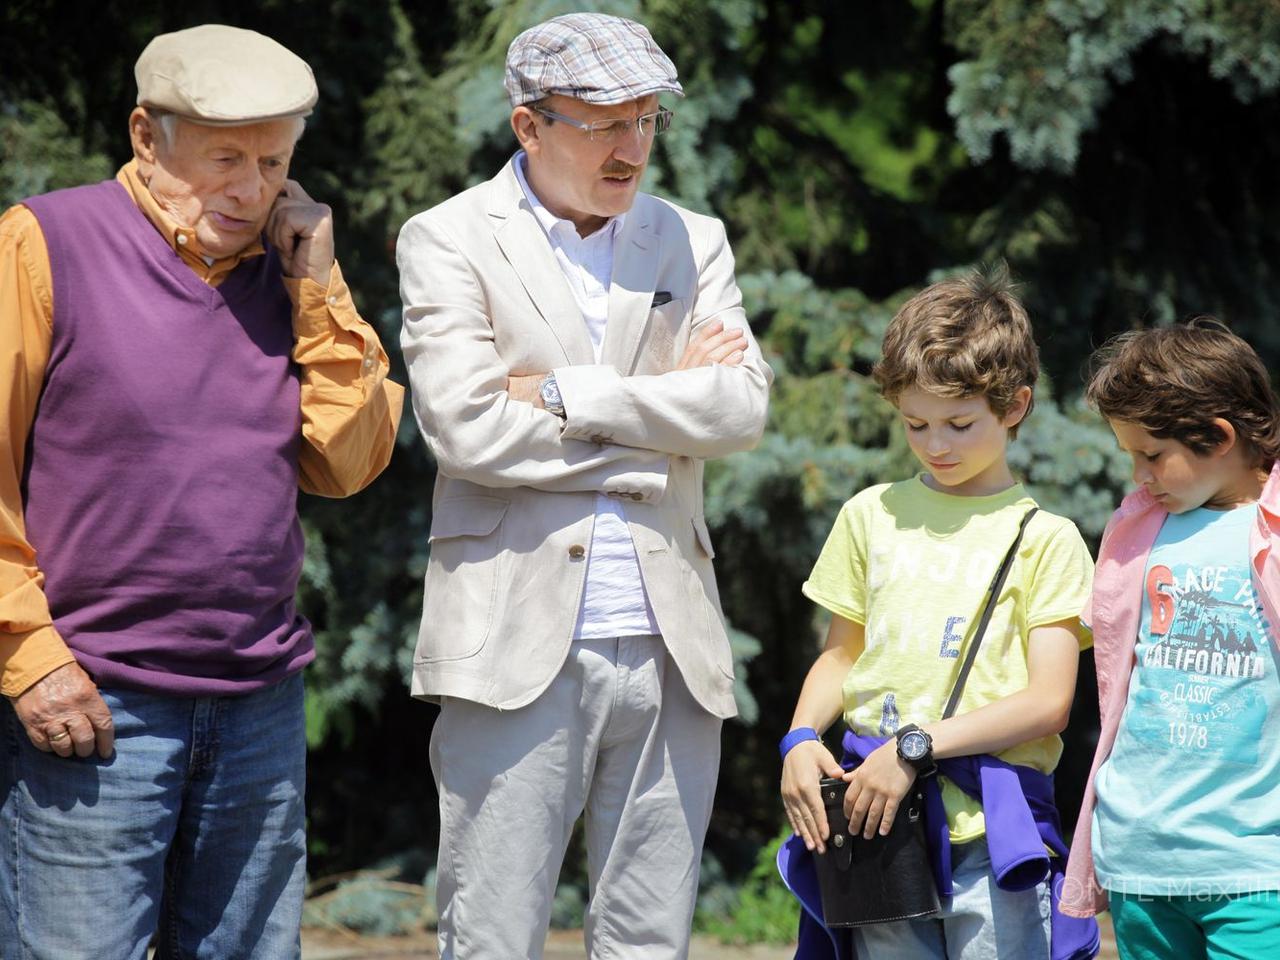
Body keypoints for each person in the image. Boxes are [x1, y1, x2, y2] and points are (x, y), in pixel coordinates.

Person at [0, 24, 403, 960]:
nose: (252, 189)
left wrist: (318, 285)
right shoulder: (42, 243)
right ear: (146, 136)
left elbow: (349, 462)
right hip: (95, 698)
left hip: (259, 699)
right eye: (226, 158)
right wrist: (29, 657)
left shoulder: (289, 267)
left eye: (273, 162)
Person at [396, 11, 771, 959]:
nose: (631, 146)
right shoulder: (447, 238)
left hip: (669, 637)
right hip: (510, 639)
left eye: (646, 121)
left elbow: (739, 413)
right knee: (493, 935)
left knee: (651, 940)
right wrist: (659, 418)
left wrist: (567, 394)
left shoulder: (693, 238)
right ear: (530, 125)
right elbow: (466, 426)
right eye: (604, 122)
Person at [777, 269, 1099, 959]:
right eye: (915, 424)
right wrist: (801, 738)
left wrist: (913, 747)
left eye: (959, 423)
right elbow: (842, 655)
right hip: (875, 828)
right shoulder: (870, 514)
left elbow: (1049, 703)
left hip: (993, 835)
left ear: (1015, 406)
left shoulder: (1048, 539)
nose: (935, 445)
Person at [1062, 319, 1280, 958]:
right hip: (1142, 858)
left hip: (1255, 864)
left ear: (1218, 437)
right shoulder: (1138, 531)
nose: (1139, 474)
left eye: (1152, 455)